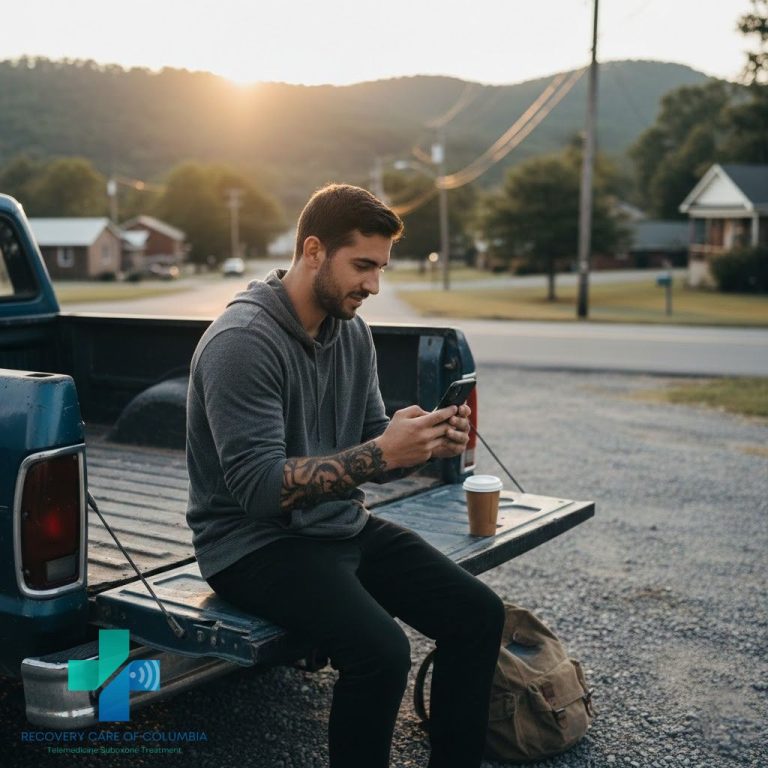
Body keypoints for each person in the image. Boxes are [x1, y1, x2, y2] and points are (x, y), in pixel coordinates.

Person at [186, 183, 505, 768]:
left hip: (336, 526)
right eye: (362, 266)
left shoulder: (352, 330)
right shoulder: (241, 343)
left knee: (479, 615)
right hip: (252, 546)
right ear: (313, 251)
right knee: (381, 652)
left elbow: (371, 436)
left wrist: (419, 442)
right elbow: (259, 492)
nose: (373, 285)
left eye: (381, 268)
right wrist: (382, 453)